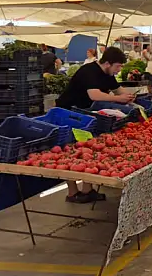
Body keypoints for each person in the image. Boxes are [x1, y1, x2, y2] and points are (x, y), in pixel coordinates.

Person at [56, 47, 135, 203]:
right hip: (69, 114)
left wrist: (129, 96)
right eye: (118, 66)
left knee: (90, 149)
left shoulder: (108, 74)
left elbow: (118, 90)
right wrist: (118, 99)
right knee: (71, 151)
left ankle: (87, 190)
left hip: (86, 114)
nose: (119, 70)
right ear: (107, 63)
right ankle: (72, 193)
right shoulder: (89, 71)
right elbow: (94, 95)